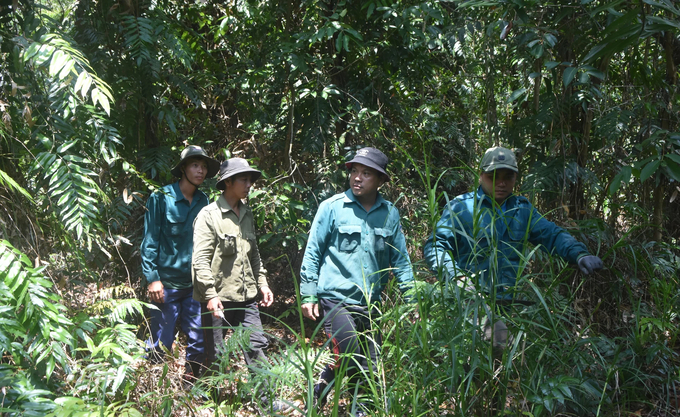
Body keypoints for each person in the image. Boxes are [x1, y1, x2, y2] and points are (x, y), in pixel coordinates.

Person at [423, 146, 603, 346]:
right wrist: (457, 278)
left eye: (508, 177)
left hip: (510, 304)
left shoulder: (522, 210)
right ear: (481, 176)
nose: (501, 183)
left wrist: (579, 254)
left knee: (505, 362)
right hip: (471, 300)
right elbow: (434, 246)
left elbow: (551, 235)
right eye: (494, 176)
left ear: (515, 178)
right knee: (495, 344)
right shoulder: (461, 207)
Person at [299, 147, 415, 416]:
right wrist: (308, 294)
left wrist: (413, 300)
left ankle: (322, 394)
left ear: (381, 180)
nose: (357, 178)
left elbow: (401, 261)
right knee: (350, 350)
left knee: (371, 362)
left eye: (366, 173)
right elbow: (313, 250)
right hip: (335, 298)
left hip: (371, 304)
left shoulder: (390, 213)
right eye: (354, 171)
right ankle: (355, 408)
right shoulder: (332, 207)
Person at [191, 157, 285, 411]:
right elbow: (199, 260)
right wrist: (210, 295)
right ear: (228, 182)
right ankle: (215, 402)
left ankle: (266, 404)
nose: (249, 184)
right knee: (217, 354)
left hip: (246, 297)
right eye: (243, 179)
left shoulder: (246, 213)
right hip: (218, 299)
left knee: (256, 347)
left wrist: (263, 284)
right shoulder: (208, 216)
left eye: (250, 179)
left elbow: (253, 255)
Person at [141, 145, 220, 384]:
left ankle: (191, 385)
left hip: (194, 286)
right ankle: (152, 388)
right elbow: (150, 240)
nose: (201, 170)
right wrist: (153, 278)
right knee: (160, 341)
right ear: (183, 168)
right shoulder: (161, 197)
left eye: (204, 166)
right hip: (167, 285)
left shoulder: (204, 200)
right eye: (196, 165)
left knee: (198, 339)